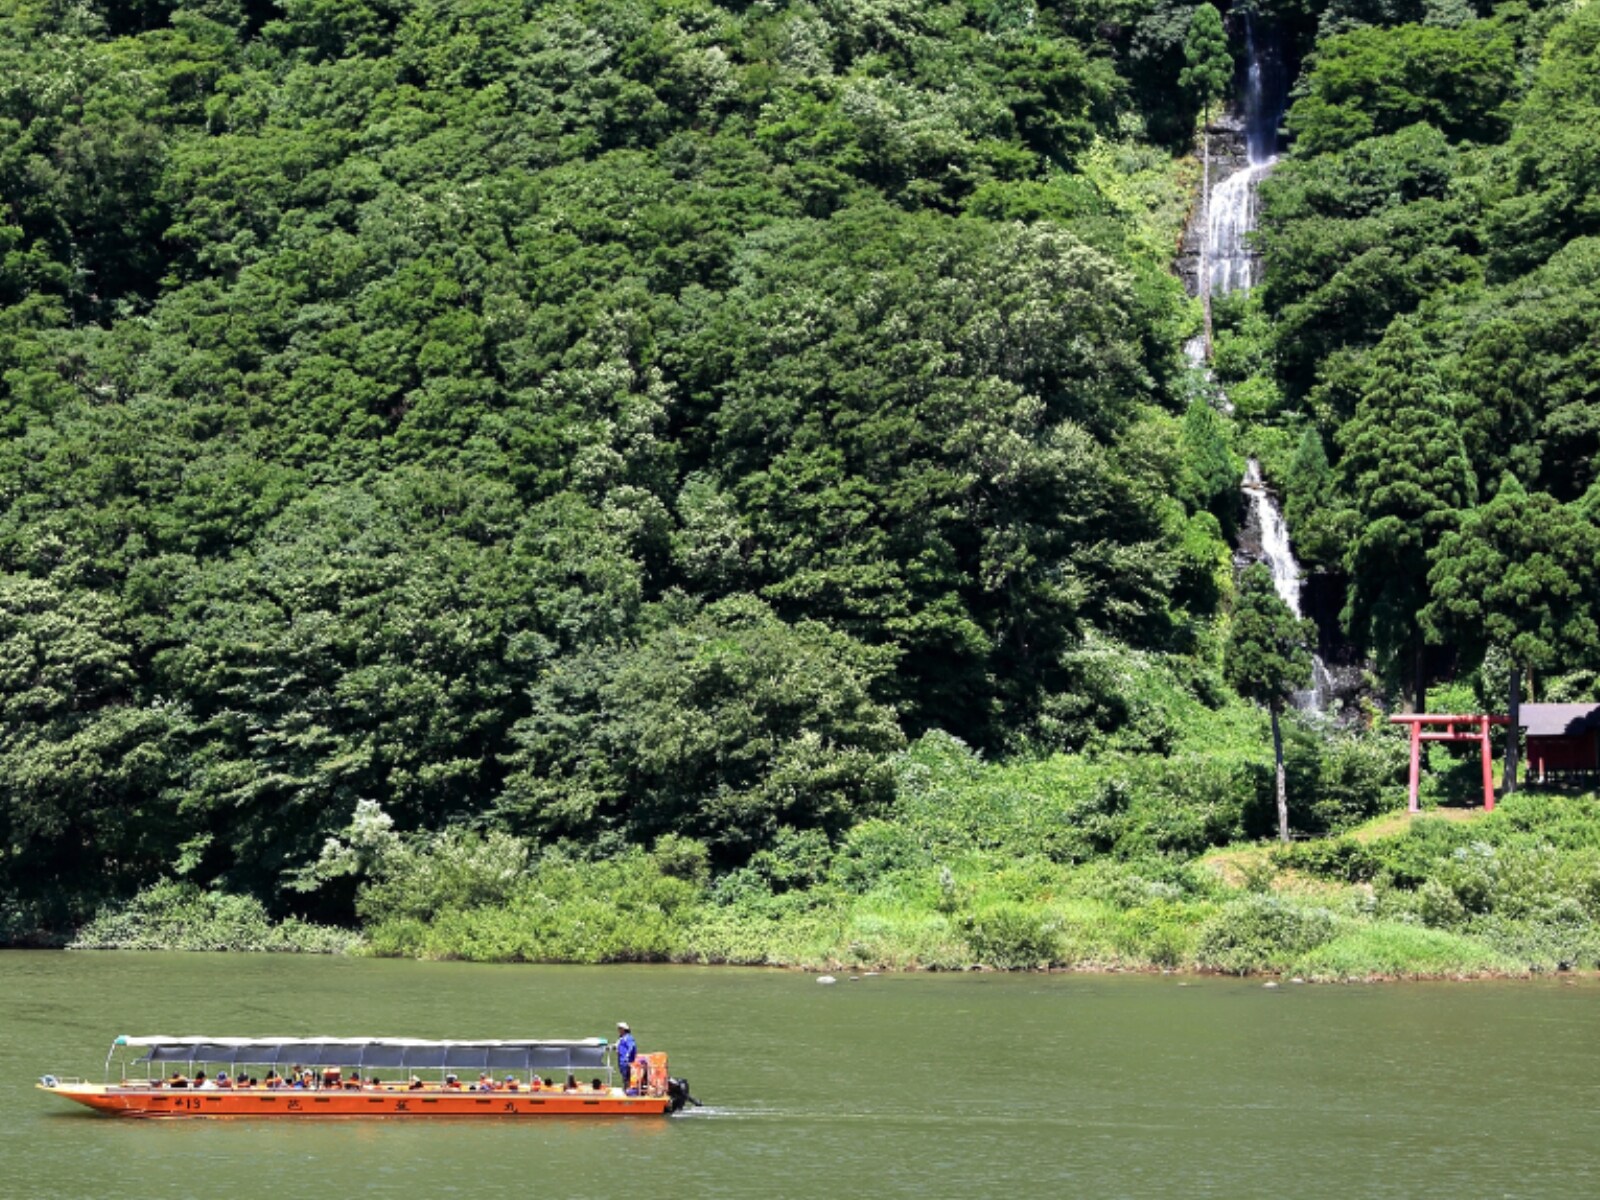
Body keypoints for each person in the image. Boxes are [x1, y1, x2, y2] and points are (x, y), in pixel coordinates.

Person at [615, 1023, 636, 1092]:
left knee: (627, 1077)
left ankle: (628, 1090)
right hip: (621, 1059)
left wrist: (627, 1055)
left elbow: (631, 1046)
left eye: (620, 1029)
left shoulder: (628, 1038)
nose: (618, 1030)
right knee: (624, 1076)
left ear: (624, 1030)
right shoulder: (621, 1038)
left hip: (625, 1061)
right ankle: (626, 1089)